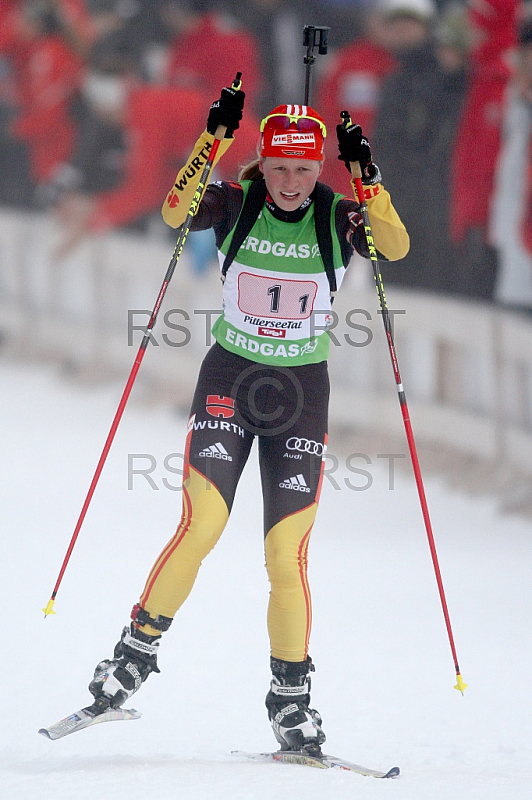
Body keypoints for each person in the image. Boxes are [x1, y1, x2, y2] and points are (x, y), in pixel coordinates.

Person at [85, 82, 409, 753]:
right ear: (262, 163)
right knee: (202, 524)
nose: (292, 182)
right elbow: (177, 210)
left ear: (319, 169)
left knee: (284, 555)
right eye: (281, 167)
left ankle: (290, 699)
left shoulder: (337, 216)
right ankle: (132, 656)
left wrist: (366, 172)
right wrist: (213, 138)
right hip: (230, 381)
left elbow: (396, 246)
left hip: (300, 397)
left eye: (305, 169)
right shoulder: (234, 205)